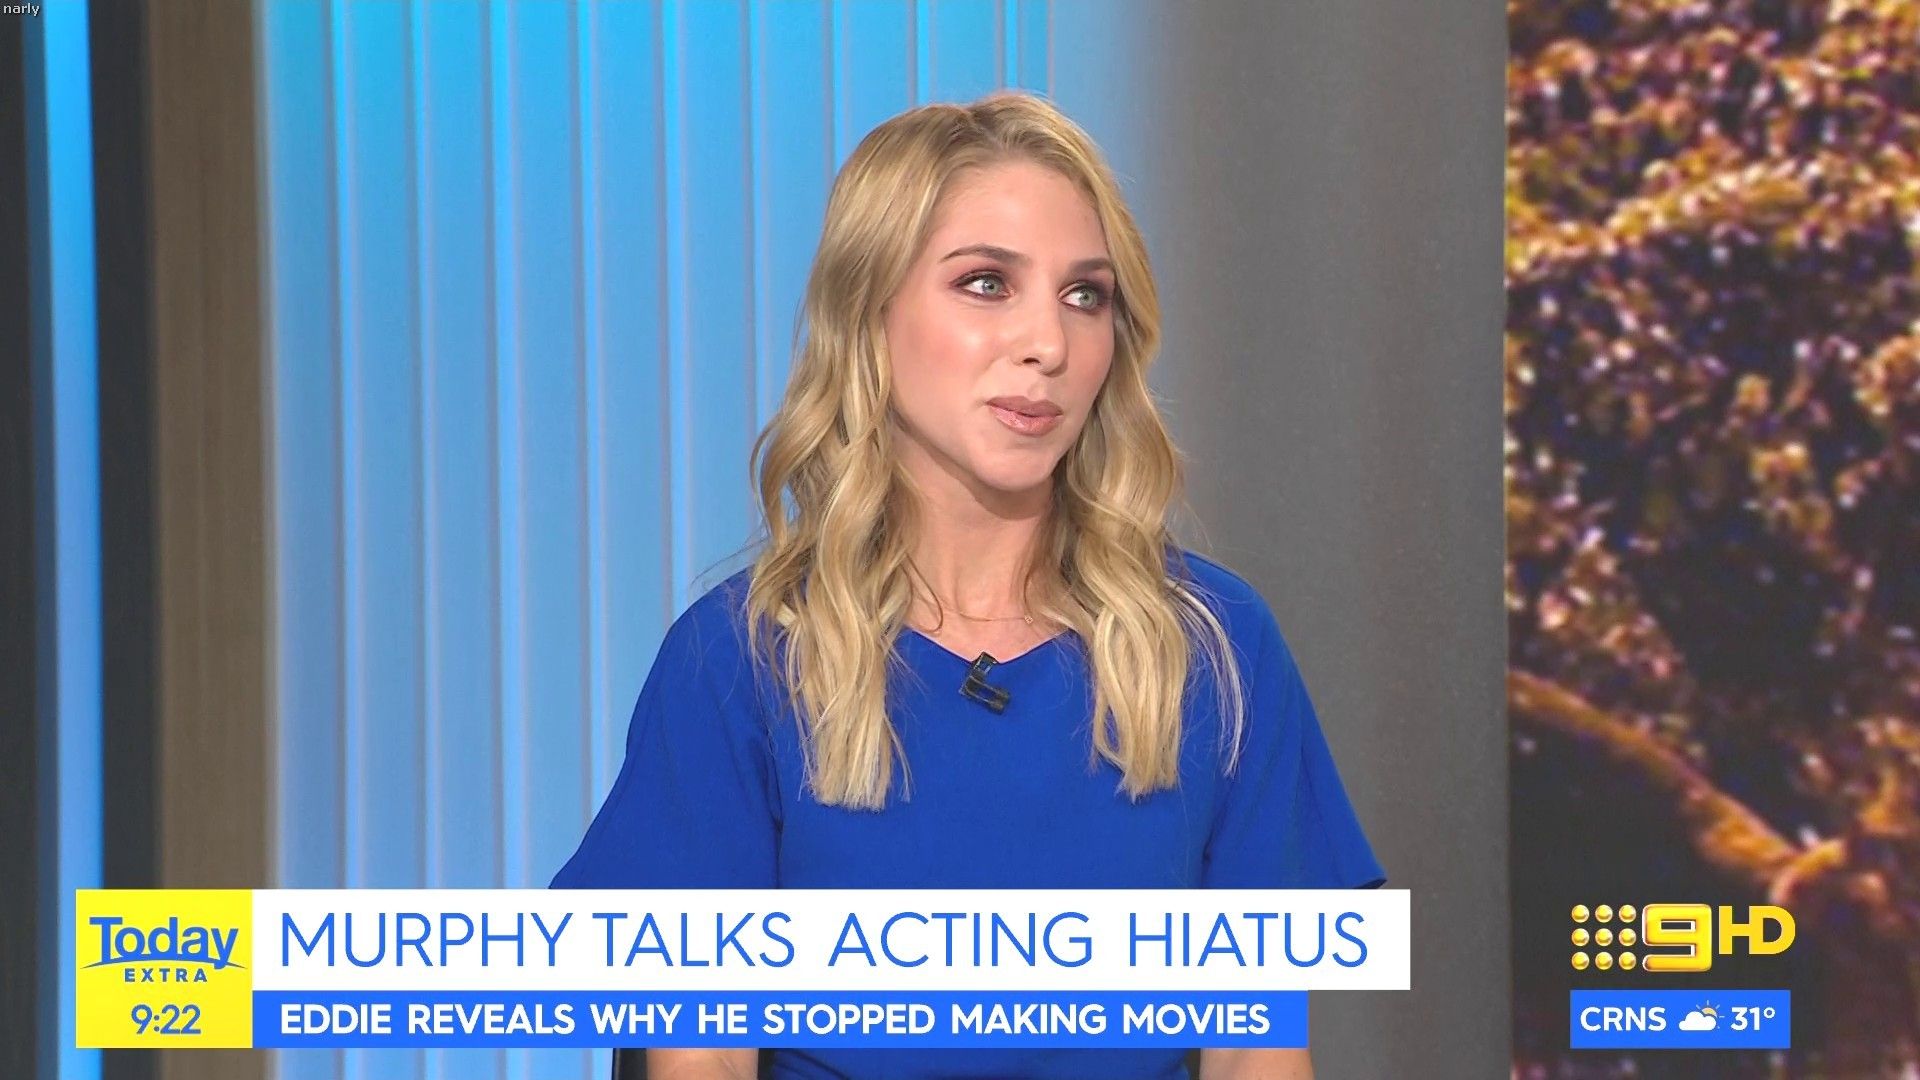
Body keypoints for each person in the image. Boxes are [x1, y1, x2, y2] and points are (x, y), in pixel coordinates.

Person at [552, 88, 1384, 1080]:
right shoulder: (739, 663)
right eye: (987, 283)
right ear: (871, 313)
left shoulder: (1218, 649)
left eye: (1086, 296)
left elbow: (1257, 1059)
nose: (1049, 344)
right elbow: (703, 1064)